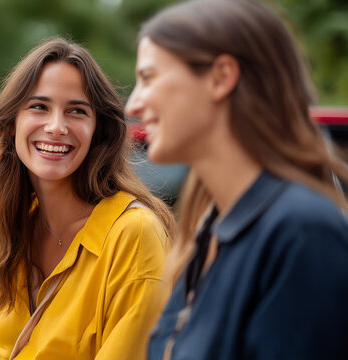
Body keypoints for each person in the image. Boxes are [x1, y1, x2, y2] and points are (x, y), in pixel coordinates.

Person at [124, 0, 348, 359]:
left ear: (221, 77)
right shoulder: (209, 232)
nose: (132, 104)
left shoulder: (301, 233)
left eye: (148, 78)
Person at [0, 37, 174, 359]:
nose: (56, 127)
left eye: (76, 111)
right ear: (12, 123)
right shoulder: (8, 228)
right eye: (39, 107)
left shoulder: (134, 235)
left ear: (98, 130)